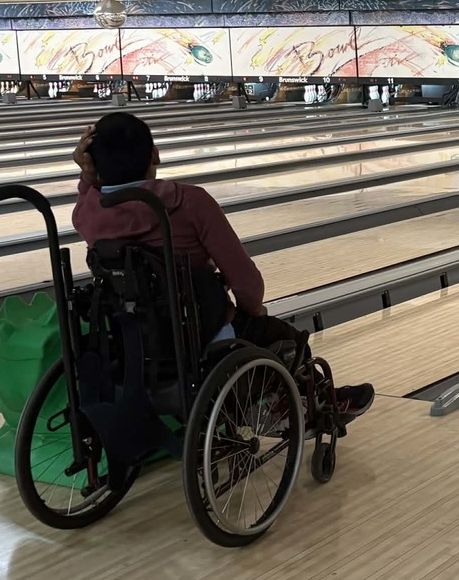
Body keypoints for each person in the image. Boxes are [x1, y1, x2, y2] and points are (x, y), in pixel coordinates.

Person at [71, 112, 375, 419]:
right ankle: (310, 406)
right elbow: (246, 282)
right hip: (202, 335)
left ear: (92, 163)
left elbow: (90, 194)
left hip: (130, 340)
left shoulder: (88, 214)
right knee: (288, 339)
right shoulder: (191, 201)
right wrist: (253, 310)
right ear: (155, 154)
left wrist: (87, 178)